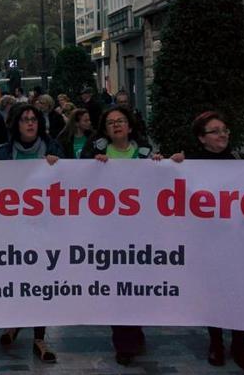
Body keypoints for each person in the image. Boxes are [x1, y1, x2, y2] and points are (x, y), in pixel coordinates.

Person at [184, 111, 244, 370]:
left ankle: (240, 343)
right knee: (213, 292)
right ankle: (216, 342)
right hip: (207, 242)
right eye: (215, 131)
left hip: (236, 240)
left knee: (240, 290)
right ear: (201, 138)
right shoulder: (189, 164)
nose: (223, 134)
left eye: (224, 129)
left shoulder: (238, 161)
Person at [79, 106, 149, 365]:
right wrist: (92, 168)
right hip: (108, 233)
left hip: (140, 232)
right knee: (118, 288)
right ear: (105, 130)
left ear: (130, 126)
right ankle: (123, 342)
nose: (117, 125)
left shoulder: (145, 153)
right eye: (110, 123)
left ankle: (136, 329)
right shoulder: (96, 153)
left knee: (138, 286)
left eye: (121, 121)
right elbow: (79, 181)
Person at [0, 104, 61, 363]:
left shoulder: (53, 149)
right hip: (13, 227)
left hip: (45, 226)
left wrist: (58, 166)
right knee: (17, 278)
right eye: (25, 120)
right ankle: (17, 321)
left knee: (40, 279)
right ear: (16, 124)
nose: (30, 124)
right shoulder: (3, 153)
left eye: (34, 119)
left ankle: (39, 335)